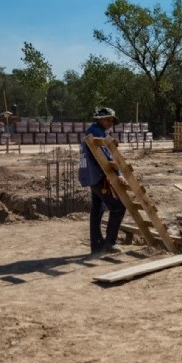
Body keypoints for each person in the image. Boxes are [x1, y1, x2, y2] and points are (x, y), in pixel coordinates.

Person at [78, 107, 127, 255]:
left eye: (111, 120)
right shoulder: (98, 133)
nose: (110, 122)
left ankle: (97, 245)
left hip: (91, 176)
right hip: (99, 176)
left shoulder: (91, 131)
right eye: (107, 119)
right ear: (99, 119)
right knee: (118, 207)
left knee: (97, 209)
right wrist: (118, 173)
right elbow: (106, 157)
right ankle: (110, 242)